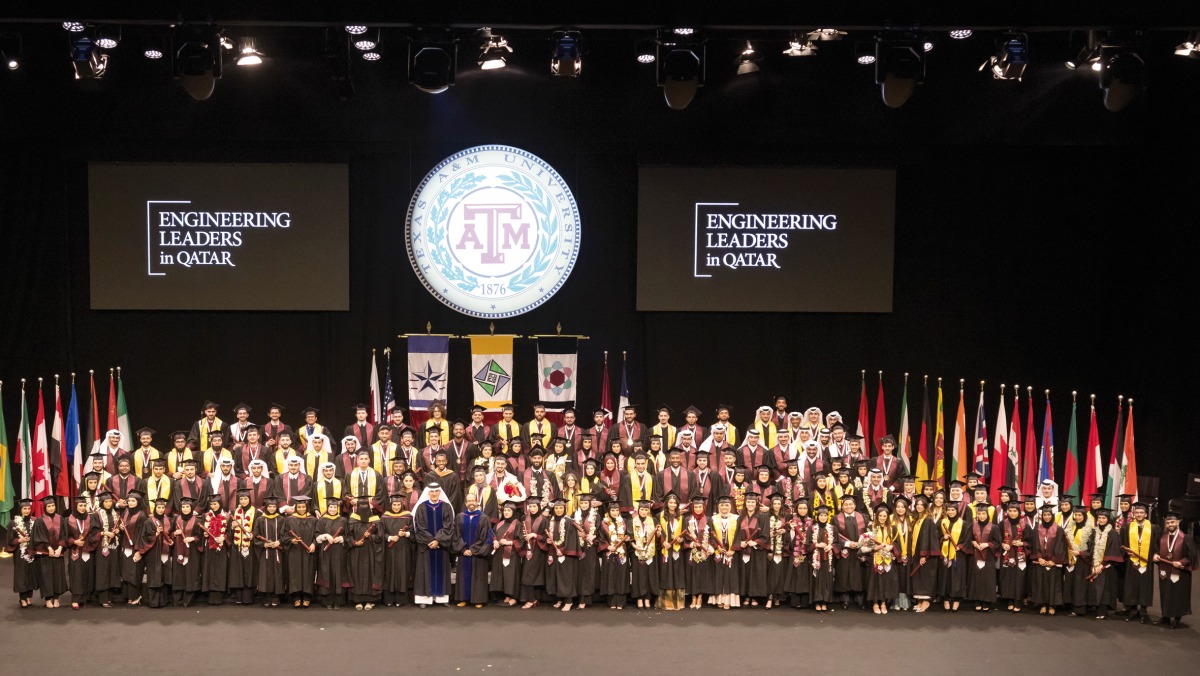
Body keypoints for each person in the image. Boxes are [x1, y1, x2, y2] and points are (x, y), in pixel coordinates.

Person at [412, 481, 455, 607]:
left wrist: (438, 541)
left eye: (437, 491)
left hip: (441, 546)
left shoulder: (446, 507)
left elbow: (448, 527)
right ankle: (424, 599)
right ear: (428, 493)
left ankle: (441, 598)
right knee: (424, 571)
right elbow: (419, 527)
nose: (434, 493)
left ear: (440, 492)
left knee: (441, 570)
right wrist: (430, 541)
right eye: (432, 491)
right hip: (426, 546)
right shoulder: (421, 507)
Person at [1153, 511, 1193, 628]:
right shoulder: (1161, 537)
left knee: (1177, 594)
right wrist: (1155, 554)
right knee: (1165, 593)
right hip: (1165, 570)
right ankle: (1165, 616)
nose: (1170, 524)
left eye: (1172, 522)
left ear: (1178, 522)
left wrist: (1181, 562)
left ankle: (1176, 618)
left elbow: (1191, 556)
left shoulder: (1185, 538)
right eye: (1168, 522)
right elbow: (1156, 549)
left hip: (1180, 572)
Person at [454, 490, 494, 608]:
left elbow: (485, 536)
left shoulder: (484, 517)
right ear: (466, 503)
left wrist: (473, 550)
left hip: (478, 554)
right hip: (464, 553)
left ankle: (478, 599)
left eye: (473, 500)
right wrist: (463, 549)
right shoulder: (460, 516)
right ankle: (463, 598)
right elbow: (456, 535)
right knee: (463, 575)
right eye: (469, 501)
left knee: (478, 575)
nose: (471, 503)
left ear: (477, 502)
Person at [1120, 502, 1156, 623]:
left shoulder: (1154, 528)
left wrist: (1155, 554)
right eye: (1137, 512)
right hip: (1132, 562)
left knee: (1145, 585)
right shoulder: (1127, 527)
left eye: (1141, 513)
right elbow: (1122, 544)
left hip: (1147, 562)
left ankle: (1144, 611)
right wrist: (1126, 552)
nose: (1139, 514)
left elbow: (1156, 545)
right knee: (1132, 585)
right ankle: (1133, 610)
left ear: (1146, 514)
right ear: (1133, 514)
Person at [545, 497, 583, 611]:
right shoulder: (550, 521)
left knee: (566, 578)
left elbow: (571, 539)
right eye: (556, 508)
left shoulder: (568, 521)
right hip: (554, 552)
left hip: (565, 554)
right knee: (556, 576)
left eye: (561, 508)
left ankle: (569, 601)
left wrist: (563, 550)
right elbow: (550, 537)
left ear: (564, 508)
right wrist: (548, 542)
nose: (558, 510)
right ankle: (560, 599)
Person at [345, 495, 383, 610]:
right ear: (357, 507)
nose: (363, 508)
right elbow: (347, 537)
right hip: (356, 551)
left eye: (366, 506)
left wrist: (371, 536)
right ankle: (358, 600)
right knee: (357, 574)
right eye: (361, 506)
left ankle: (369, 601)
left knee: (370, 574)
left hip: (371, 552)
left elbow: (380, 538)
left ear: (370, 507)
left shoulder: (375, 520)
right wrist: (355, 542)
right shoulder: (352, 520)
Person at [1028, 504, 1066, 614]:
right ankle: (1042, 604)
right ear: (1042, 516)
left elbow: (1060, 546)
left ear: (1052, 515)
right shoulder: (1037, 529)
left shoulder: (1058, 529)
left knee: (1053, 583)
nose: (1047, 517)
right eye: (1045, 514)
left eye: (1049, 514)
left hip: (1053, 562)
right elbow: (1035, 545)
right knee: (1040, 582)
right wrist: (1039, 558)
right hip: (1041, 562)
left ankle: (1052, 604)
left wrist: (1053, 560)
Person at [31, 496, 68, 608]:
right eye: (49, 506)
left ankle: (56, 598)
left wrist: (60, 548)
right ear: (45, 507)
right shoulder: (39, 521)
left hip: (58, 553)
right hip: (45, 555)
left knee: (57, 575)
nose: (51, 508)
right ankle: (48, 598)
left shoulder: (60, 518)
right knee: (46, 576)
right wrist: (48, 547)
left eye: (53, 506)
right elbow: (38, 537)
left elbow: (63, 535)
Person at [89, 490, 124, 607]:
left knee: (112, 571)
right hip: (102, 548)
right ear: (102, 502)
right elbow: (92, 532)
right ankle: (103, 599)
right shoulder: (96, 515)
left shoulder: (116, 514)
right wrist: (105, 533)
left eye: (110, 501)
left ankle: (109, 598)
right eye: (106, 501)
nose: (108, 504)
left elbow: (117, 529)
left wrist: (118, 530)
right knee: (103, 571)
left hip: (113, 547)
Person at [281, 496, 317, 607]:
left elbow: (317, 534)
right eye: (299, 507)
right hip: (294, 551)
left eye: (303, 507)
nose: (301, 509)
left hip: (308, 552)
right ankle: (296, 597)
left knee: (308, 573)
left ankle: (307, 597)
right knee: (295, 573)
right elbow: (283, 535)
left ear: (307, 507)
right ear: (296, 507)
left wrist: (314, 544)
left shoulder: (313, 520)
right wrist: (291, 540)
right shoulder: (289, 519)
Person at [833, 494, 868, 610]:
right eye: (846, 504)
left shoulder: (863, 517)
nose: (848, 506)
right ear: (842, 507)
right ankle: (845, 599)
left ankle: (860, 599)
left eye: (851, 504)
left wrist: (862, 542)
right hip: (845, 551)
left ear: (855, 505)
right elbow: (835, 535)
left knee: (859, 574)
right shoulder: (836, 518)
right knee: (844, 574)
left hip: (860, 551)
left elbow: (868, 532)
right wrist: (848, 544)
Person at [1088, 508, 1123, 619]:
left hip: (1107, 566)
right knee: (1096, 588)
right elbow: (1091, 548)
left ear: (1108, 519)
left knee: (1104, 589)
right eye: (1100, 518)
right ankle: (1096, 608)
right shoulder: (1095, 531)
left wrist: (1102, 564)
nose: (1101, 520)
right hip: (1095, 563)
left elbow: (1112, 550)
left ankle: (1103, 611)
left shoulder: (1112, 533)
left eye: (1104, 518)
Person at [998, 501, 1032, 612]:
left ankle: (1018, 601)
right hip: (1007, 555)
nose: (1012, 513)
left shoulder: (1025, 525)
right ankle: (1010, 600)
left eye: (1015, 511)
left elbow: (1031, 542)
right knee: (1007, 577)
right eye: (1010, 511)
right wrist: (1002, 544)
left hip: (1020, 555)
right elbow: (997, 539)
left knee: (1019, 578)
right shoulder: (1002, 524)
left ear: (1019, 512)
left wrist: (1022, 544)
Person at [908, 494, 940, 612]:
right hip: (917, 553)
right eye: (917, 504)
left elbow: (929, 539)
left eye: (922, 505)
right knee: (919, 577)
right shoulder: (917, 520)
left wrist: (924, 555)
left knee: (926, 577)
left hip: (926, 555)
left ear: (926, 506)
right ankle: (920, 601)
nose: (919, 506)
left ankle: (926, 602)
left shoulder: (927, 520)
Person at [314, 499, 348, 609]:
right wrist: (325, 536)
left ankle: (338, 601)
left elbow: (348, 536)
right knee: (326, 573)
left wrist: (341, 538)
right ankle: (327, 601)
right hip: (326, 551)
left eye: (334, 507)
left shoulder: (343, 520)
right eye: (331, 507)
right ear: (327, 508)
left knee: (337, 573)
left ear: (337, 508)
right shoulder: (321, 520)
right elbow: (316, 535)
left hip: (338, 551)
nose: (332, 509)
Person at [253, 496, 287, 607]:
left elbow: (285, 535)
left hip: (278, 552)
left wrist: (279, 542)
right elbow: (256, 536)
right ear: (266, 507)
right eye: (270, 506)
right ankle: (266, 597)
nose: (272, 508)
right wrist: (264, 544)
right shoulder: (260, 519)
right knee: (265, 573)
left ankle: (275, 597)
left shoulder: (281, 519)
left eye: (274, 506)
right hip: (265, 552)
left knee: (277, 573)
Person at [967, 502, 1001, 612]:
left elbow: (998, 543)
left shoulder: (994, 527)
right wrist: (974, 543)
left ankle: (986, 601)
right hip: (975, 556)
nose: (981, 516)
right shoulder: (973, 526)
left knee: (988, 578)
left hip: (989, 557)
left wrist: (988, 544)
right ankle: (977, 600)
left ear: (987, 514)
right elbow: (968, 539)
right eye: (979, 513)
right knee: (976, 577)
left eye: (983, 513)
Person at [170, 498, 204, 607]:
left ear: (191, 508)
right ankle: (178, 600)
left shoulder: (197, 521)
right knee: (178, 574)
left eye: (187, 507)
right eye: (183, 507)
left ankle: (188, 600)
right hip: (178, 551)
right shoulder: (176, 520)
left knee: (191, 574)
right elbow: (169, 534)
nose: (185, 509)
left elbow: (202, 536)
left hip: (192, 551)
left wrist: (193, 538)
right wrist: (175, 533)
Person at [657, 492, 688, 610]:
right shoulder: (659, 516)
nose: (673, 505)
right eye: (670, 502)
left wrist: (681, 540)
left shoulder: (681, 517)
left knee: (677, 572)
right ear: (666, 503)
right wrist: (663, 542)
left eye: (675, 503)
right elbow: (658, 533)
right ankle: (666, 602)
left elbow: (685, 534)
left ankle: (678, 603)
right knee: (666, 573)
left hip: (676, 549)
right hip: (665, 549)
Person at [490, 501, 525, 607]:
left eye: (509, 510)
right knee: (503, 575)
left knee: (511, 575)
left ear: (513, 512)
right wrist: (494, 541)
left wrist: (509, 542)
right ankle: (507, 596)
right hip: (499, 554)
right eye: (505, 510)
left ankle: (514, 597)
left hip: (512, 554)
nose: (506, 512)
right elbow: (493, 534)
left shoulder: (517, 524)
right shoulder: (500, 523)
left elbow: (522, 540)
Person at [227, 489, 258, 605]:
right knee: (238, 571)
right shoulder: (234, 512)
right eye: (241, 499)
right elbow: (228, 531)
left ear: (250, 499)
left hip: (249, 546)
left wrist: (253, 534)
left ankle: (248, 598)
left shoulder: (256, 512)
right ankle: (238, 597)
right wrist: (232, 527)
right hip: (237, 546)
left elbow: (258, 528)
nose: (244, 501)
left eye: (246, 499)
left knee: (248, 571)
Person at [866, 504, 899, 614]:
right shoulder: (871, 527)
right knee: (875, 581)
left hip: (887, 558)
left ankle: (884, 603)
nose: (882, 518)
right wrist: (875, 547)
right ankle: (875, 603)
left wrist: (891, 547)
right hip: (875, 558)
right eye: (880, 516)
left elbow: (896, 542)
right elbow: (866, 544)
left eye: (885, 516)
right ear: (877, 516)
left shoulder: (891, 528)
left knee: (886, 581)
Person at [142, 498, 174, 608]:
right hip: (153, 553)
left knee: (164, 576)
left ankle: (164, 601)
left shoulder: (169, 520)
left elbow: (171, 534)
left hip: (165, 552)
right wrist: (155, 535)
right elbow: (144, 538)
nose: (160, 510)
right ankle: (154, 602)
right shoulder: (148, 522)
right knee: (155, 576)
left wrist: (172, 538)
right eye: (158, 507)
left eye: (162, 507)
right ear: (155, 508)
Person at [710, 495, 740, 609]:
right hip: (719, 551)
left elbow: (738, 535)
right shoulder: (713, 519)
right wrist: (717, 547)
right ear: (718, 506)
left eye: (726, 505)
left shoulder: (736, 518)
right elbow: (711, 535)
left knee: (730, 575)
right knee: (718, 575)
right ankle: (719, 599)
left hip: (731, 552)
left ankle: (728, 600)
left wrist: (732, 549)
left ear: (730, 506)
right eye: (722, 505)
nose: (724, 507)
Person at [65, 495, 95, 609]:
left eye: (84, 505)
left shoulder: (90, 518)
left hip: (87, 549)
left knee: (87, 573)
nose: (83, 508)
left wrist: (88, 541)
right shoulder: (69, 519)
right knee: (76, 574)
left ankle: (85, 598)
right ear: (75, 506)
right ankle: (75, 599)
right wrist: (74, 541)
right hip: (75, 550)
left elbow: (93, 533)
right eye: (80, 505)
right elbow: (65, 536)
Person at [628, 499, 659, 609]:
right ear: (638, 510)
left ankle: (647, 598)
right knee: (638, 575)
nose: (644, 511)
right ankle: (639, 598)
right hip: (637, 553)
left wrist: (659, 534)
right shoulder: (631, 521)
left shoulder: (653, 520)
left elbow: (658, 537)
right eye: (642, 509)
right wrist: (635, 546)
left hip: (650, 553)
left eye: (646, 509)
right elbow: (630, 537)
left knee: (649, 575)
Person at [519, 500, 550, 608]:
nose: (532, 509)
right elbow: (520, 533)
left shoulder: (544, 520)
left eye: (534, 506)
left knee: (533, 575)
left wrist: (534, 535)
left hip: (538, 550)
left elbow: (547, 537)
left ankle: (532, 599)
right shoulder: (524, 518)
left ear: (539, 507)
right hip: (526, 549)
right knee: (527, 574)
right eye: (530, 506)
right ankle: (533, 599)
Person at [1063, 508, 1093, 616]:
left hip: (1082, 561)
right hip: (1070, 560)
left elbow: (1091, 548)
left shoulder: (1089, 531)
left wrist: (1080, 553)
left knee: (1080, 585)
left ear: (1084, 516)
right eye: (1076, 515)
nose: (1078, 517)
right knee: (1071, 583)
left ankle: (1079, 608)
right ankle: (1070, 605)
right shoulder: (1070, 529)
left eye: (1080, 515)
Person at [200, 494, 230, 605]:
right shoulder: (206, 516)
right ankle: (210, 595)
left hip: (221, 547)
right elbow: (201, 533)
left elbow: (229, 533)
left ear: (220, 503)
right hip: (209, 547)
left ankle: (219, 596)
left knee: (220, 570)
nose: (213, 506)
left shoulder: (226, 516)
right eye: (211, 504)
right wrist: (205, 534)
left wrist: (224, 537)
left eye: (215, 504)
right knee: (210, 570)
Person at [576, 491, 603, 609]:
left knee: (589, 572)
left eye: (586, 502)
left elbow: (600, 531)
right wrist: (578, 535)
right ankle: (580, 597)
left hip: (591, 547)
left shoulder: (596, 515)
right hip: (579, 547)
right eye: (581, 503)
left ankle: (586, 598)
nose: (583, 505)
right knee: (580, 572)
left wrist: (594, 536)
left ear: (590, 503)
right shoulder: (575, 514)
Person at [939, 502, 968, 611]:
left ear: (957, 511)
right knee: (945, 576)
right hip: (945, 554)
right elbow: (937, 536)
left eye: (953, 510)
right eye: (949, 510)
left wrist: (960, 546)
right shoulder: (942, 523)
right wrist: (943, 538)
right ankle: (946, 599)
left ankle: (957, 599)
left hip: (958, 555)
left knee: (957, 577)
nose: (951, 512)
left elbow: (967, 538)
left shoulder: (963, 523)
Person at [809, 504, 836, 612]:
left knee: (826, 579)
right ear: (817, 516)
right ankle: (817, 601)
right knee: (817, 579)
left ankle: (824, 601)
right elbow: (807, 544)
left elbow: (837, 543)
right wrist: (816, 545)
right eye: (821, 515)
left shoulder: (833, 528)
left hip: (827, 559)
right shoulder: (812, 529)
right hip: (816, 559)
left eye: (825, 515)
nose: (823, 517)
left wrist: (831, 546)